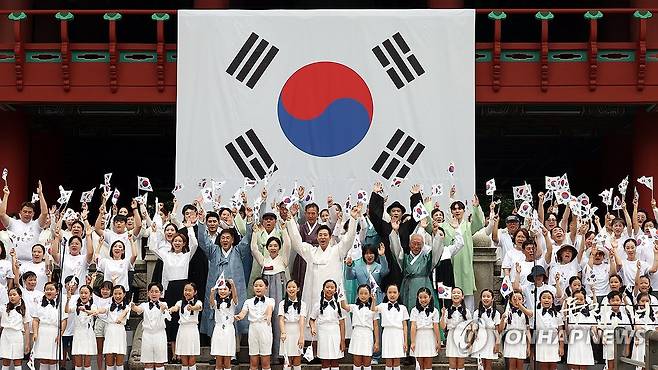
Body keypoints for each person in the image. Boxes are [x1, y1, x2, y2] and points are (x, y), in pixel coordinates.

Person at [285, 204, 359, 333]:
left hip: (332, 293)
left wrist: (353, 219)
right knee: (312, 329)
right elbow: (296, 242)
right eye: (320, 235)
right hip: (313, 294)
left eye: (326, 235)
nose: (323, 237)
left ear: (330, 237)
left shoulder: (337, 251)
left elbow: (348, 239)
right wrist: (290, 220)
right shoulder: (310, 251)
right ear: (317, 237)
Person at [197, 206, 254, 338]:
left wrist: (249, 219)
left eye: (228, 238)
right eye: (223, 238)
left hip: (234, 290)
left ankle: (234, 352)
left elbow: (247, 239)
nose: (225, 240)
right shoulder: (213, 251)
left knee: (234, 315)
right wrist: (201, 221)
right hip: (217, 290)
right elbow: (203, 241)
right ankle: (216, 350)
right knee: (215, 315)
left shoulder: (238, 251)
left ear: (233, 240)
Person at [389, 218, 464, 313]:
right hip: (407, 286)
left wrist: (436, 232)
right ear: (409, 244)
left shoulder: (428, 258)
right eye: (414, 243)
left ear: (423, 245)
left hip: (424, 284)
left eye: (419, 244)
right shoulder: (404, 258)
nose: (416, 247)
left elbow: (437, 251)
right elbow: (396, 250)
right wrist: (395, 231)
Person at [147, 221, 198, 358]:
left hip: (183, 289)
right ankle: (174, 353)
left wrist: (189, 228)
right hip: (170, 288)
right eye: (175, 240)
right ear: (171, 242)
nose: (177, 243)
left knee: (182, 318)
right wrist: (153, 232)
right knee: (171, 319)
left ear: (183, 243)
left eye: (180, 241)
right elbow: (152, 247)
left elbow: (195, 244)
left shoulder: (187, 256)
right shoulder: (166, 255)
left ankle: (182, 353)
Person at [250, 220, 292, 362]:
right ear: (267, 247)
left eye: (275, 245)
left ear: (279, 247)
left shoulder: (283, 260)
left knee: (278, 318)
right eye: (270, 246)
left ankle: (279, 354)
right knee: (265, 319)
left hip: (279, 289)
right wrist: (255, 233)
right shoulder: (263, 260)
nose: (273, 248)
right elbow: (254, 249)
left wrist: (284, 229)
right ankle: (265, 353)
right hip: (266, 291)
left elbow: (288, 245)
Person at [368, 182, 422, 288]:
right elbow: (374, 216)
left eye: (398, 211)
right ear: (389, 213)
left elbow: (417, 216)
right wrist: (375, 194)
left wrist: (416, 196)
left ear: (402, 214)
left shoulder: (406, 226)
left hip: (403, 264)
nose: (396, 213)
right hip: (388, 263)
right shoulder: (383, 226)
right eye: (393, 211)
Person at [440, 193, 485, 311]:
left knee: (467, 295)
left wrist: (476, 207)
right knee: (449, 295)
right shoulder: (445, 226)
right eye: (454, 209)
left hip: (465, 265)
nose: (457, 211)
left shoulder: (468, 226)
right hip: (449, 265)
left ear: (464, 210)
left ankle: (469, 322)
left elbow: (480, 223)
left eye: (459, 208)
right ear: (451, 211)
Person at [0, 182, 48, 262]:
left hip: (32, 263)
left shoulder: (37, 225)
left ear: (33, 214)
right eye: (25, 211)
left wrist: (40, 194)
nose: (27, 214)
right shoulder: (13, 223)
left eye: (29, 212)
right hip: (14, 262)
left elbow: (45, 213)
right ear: (20, 212)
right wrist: (6, 195)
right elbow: (2, 214)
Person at [235, 277, 275, 370]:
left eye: (261, 286)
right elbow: (243, 313)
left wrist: (269, 316)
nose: (258, 288)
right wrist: (239, 316)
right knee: (253, 362)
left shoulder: (270, 300)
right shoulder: (248, 302)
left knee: (265, 362)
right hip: (253, 329)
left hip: (265, 328)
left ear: (266, 287)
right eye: (256, 286)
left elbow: (270, 309)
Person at [131, 282, 170, 370]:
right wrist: (133, 306)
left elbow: (168, 315)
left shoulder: (164, 304)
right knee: (148, 363)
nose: (154, 294)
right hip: (147, 335)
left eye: (156, 291)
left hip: (160, 335)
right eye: (151, 291)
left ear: (161, 293)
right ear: (148, 293)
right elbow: (138, 309)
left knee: (159, 363)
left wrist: (163, 309)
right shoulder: (144, 305)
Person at [309, 279, 346, 370]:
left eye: (332, 287)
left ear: (335, 290)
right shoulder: (317, 305)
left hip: (335, 333)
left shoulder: (338, 305)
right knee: (324, 360)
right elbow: (311, 319)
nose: (329, 289)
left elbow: (342, 323)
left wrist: (342, 340)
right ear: (323, 289)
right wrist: (313, 328)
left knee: (335, 360)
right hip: (323, 334)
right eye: (327, 287)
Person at [340, 284, 378, 370]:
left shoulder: (373, 308)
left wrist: (377, 342)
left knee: (367, 361)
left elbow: (375, 325)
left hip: (368, 334)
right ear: (358, 294)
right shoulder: (354, 307)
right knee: (356, 360)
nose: (363, 296)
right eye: (361, 293)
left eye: (366, 293)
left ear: (369, 294)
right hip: (357, 334)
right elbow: (344, 306)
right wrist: (341, 295)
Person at [33, 281, 68, 370]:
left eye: (51, 289)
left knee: (53, 359)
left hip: (54, 333)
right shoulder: (39, 303)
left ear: (57, 291)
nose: (49, 291)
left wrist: (60, 334)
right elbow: (35, 320)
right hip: (42, 332)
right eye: (47, 289)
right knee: (43, 359)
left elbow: (64, 320)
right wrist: (35, 333)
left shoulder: (61, 304)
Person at [169, 282, 203, 370]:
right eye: (185, 290)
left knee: (192, 358)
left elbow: (198, 307)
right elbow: (175, 308)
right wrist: (171, 309)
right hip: (182, 330)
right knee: (183, 358)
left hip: (192, 330)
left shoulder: (198, 302)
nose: (187, 292)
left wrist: (192, 308)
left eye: (189, 290)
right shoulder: (180, 302)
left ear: (195, 292)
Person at [375, 284, 408, 370]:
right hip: (387, 334)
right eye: (390, 292)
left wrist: (405, 341)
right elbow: (372, 309)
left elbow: (405, 326)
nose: (392, 295)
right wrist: (373, 299)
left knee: (397, 359)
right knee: (388, 360)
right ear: (386, 294)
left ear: (398, 293)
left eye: (394, 292)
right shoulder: (382, 305)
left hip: (398, 334)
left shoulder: (403, 308)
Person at [594, 291, 630, 370]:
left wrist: (627, 347)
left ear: (621, 301)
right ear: (609, 302)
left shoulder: (624, 317)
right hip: (609, 343)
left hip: (621, 344)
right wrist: (602, 337)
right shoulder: (605, 315)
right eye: (613, 300)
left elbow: (627, 332)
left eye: (617, 300)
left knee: (620, 365)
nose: (615, 303)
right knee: (610, 365)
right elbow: (600, 328)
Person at [66, 284, 97, 370]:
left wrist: (85, 310)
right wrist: (68, 300)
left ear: (90, 295)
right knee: (78, 363)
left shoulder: (93, 305)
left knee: (87, 363)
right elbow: (67, 310)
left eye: (86, 293)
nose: (83, 295)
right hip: (78, 334)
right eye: (81, 293)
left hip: (88, 334)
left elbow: (94, 312)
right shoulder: (76, 306)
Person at [209, 278, 238, 370]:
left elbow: (235, 297)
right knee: (218, 358)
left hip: (229, 330)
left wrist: (232, 285)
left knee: (227, 358)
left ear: (229, 291)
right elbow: (211, 302)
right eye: (220, 289)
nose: (222, 291)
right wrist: (212, 292)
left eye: (225, 289)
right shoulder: (216, 302)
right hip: (218, 329)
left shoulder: (232, 302)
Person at [499, 290, 532, 370]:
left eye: (519, 299)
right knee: (512, 365)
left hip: (521, 339)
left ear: (523, 300)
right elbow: (501, 329)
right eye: (514, 299)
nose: (517, 301)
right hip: (510, 338)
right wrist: (503, 319)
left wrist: (528, 346)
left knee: (520, 364)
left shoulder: (526, 312)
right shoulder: (508, 312)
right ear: (510, 300)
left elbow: (528, 329)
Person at [440, 287, 471, 370]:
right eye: (454, 293)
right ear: (450, 295)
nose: (456, 294)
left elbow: (470, 328)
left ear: (462, 296)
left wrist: (469, 341)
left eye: (458, 293)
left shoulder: (466, 311)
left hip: (462, 337)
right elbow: (443, 327)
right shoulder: (447, 311)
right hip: (451, 337)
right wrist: (442, 315)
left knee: (461, 364)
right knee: (452, 364)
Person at [278, 280, 306, 370]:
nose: (291, 289)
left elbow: (302, 320)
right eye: (289, 287)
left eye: (293, 287)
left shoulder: (303, 304)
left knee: (297, 358)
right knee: (287, 359)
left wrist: (301, 336)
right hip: (286, 330)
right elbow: (281, 319)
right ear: (286, 289)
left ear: (298, 289)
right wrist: (283, 332)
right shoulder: (282, 303)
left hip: (297, 330)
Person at [0, 287, 30, 370]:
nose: (12, 297)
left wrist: (27, 343)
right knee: (6, 360)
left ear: (20, 295)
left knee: (17, 360)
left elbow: (27, 328)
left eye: (14, 294)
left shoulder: (24, 309)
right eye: (10, 295)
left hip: (17, 335)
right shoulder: (4, 308)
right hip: (5, 335)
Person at [102, 285, 131, 370]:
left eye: (120, 293)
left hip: (120, 331)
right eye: (115, 293)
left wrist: (122, 316)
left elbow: (122, 316)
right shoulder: (108, 305)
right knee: (109, 359)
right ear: (112, 294)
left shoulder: (127, 307)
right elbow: (102, 310)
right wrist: (95, 311)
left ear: (124, 294)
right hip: (110, 331)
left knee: (119, 360)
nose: (117, 296)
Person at [410, 287, 440, 370]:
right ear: (417, 298)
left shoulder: (435, 311)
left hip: (429, 337)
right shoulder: (414, 310)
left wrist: (438, 341)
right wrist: (412, 342)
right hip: (418, 337)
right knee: (420, 364)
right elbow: (413, 326)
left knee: (428, 363)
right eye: (420, 297)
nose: (423, 300)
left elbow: (436, 326)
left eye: (425, 297)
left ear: (430, 297)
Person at [470, 289, 500, 370]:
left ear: (492, 298)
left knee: (488, 365)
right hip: (480, 339)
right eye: (484, 296)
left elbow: (497, 329)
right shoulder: (476, 312)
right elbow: (474, 328)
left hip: (491, 339)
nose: (486, 298)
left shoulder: (496, 313)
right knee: (480, 364)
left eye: (488, 296)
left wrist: (497, 342)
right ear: (481, 298)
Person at [565, 289, 595, 370]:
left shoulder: (590, 314)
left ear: (585, 301)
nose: (579, 301)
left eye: (581, 299)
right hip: (573, 343)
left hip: (585, 342)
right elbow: (567, 330)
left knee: (583, 366)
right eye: (576, 299)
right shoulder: (569, 313)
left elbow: (593, 328)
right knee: (573, 365)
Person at [533, 291, 563, 370]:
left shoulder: (557, 314)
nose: (546, 300)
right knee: (543, 366)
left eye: (549, 298)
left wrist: (561, 346)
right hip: (541, 343)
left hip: (554, 343)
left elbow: (561, 331)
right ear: (540, 300)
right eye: (544, 298)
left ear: (552, 300)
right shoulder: (536, 313)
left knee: (553, 366)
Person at [93, 280, 113, 370]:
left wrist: (115, 281)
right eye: (103, 289)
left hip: (109, 323)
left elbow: (117, 290)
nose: (105, 291)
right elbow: (89, 290)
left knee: (109, 350)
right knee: (99, 350)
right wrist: (93, 280)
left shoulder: (112, 299)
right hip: (99, 322)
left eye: (107, 289)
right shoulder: (97, 299)